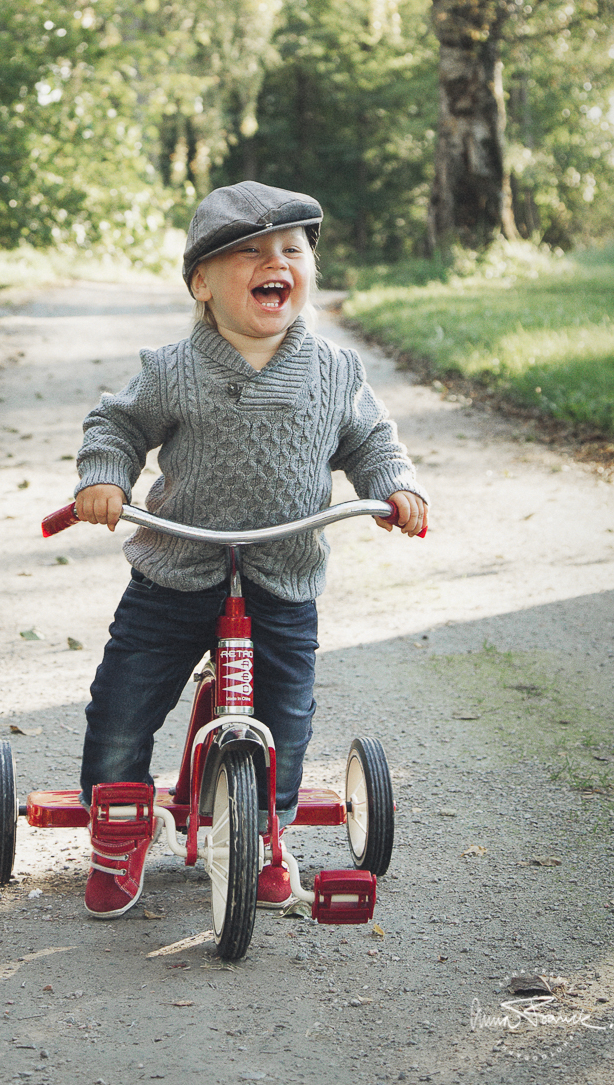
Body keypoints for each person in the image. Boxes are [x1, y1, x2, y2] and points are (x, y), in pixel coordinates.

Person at [73, 181, 428, 917]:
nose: (277, 263)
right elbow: (116, 426)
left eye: (292, 251)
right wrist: (106, 478)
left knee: (287, 714)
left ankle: (266, 832)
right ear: (202, 284)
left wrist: (393, 485)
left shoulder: (334, 370)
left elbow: (369, 439)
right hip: (176, 571)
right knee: (125, 702)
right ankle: (117, 828)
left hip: (284, 575)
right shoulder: (174, 368)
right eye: (250, 253)